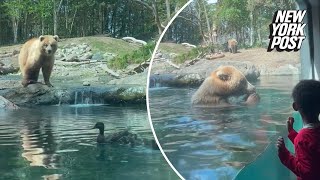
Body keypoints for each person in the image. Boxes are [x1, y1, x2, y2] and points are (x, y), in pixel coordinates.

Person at [277, 80, 320, 180]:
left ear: (295, 106)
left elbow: (306, 172)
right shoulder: (309, 134)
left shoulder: (302, 138)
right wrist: (292, 132)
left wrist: (285, 155)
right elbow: (311, 145)